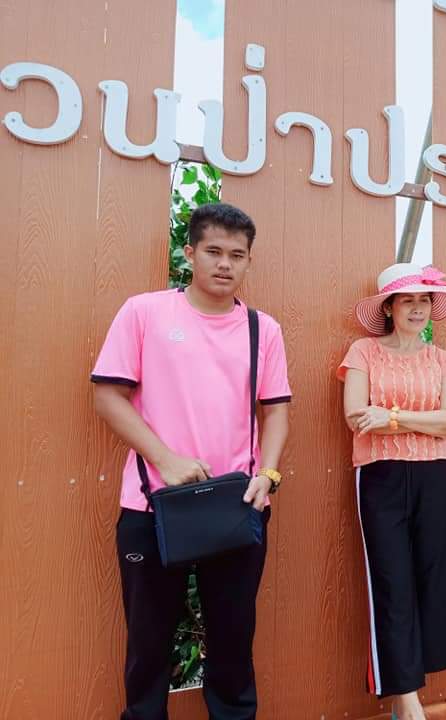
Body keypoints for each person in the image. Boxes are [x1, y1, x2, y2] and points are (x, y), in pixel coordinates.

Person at [92, 203, 292, 719]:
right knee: (148, 645)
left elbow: (276, 410)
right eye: (213, 251)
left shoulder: (262, 329)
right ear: (189, 253)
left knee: (233, 642)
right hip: (153, 505)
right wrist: (167, 460)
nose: (225, 264)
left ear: (248, 261)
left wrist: (267, 475)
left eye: (237, 255)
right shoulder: (144, 312)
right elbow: (108, 396)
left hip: (237, 505)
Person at [339, 263, 446, 720]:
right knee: (391, 580)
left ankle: (409, 685)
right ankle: (406, 698)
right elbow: (356, 415)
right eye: (407, 300)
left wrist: (391, 417)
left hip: (435, 475)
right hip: (380, 475)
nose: (417, 308)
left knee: (435, 578)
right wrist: (421, 421)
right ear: (389, 308)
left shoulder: (442, 360)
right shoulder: (363, 352)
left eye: (424, 300)